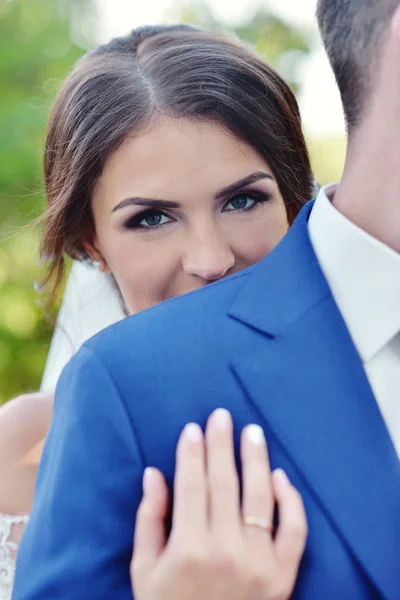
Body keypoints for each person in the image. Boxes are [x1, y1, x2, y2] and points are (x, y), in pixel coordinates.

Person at [13, 3, 400, 596]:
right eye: (151, 218)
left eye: (242, 201)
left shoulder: (362, 367)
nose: (210, 259)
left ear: (295, 200)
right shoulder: (23, 445)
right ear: (89, 242)